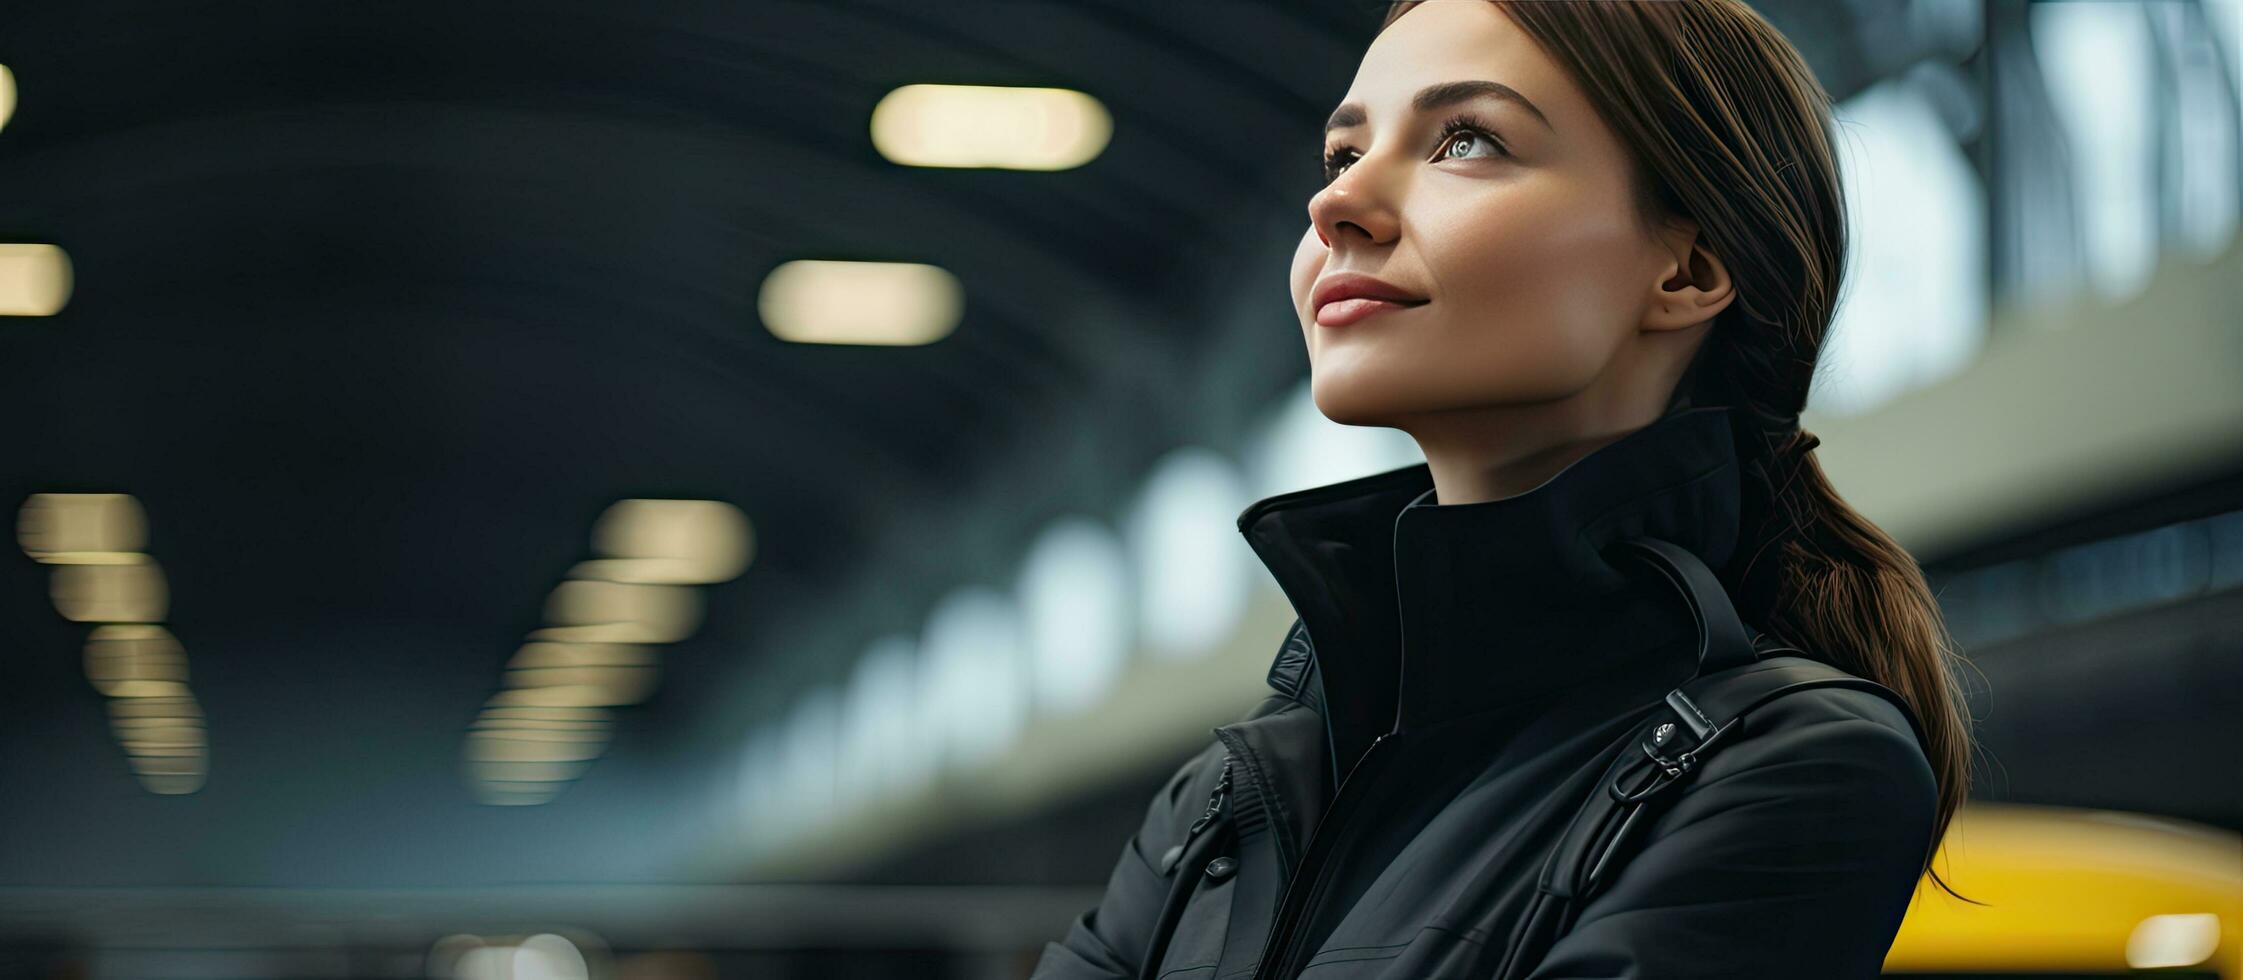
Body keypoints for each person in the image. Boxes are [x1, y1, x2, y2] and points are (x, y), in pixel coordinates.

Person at [1028, 1, 1978, 977]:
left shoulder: (1797, 765)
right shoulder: (1235, 790)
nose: (1334, 204)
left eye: (1465, 140)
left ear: (1689, 266)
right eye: (1340, 156)